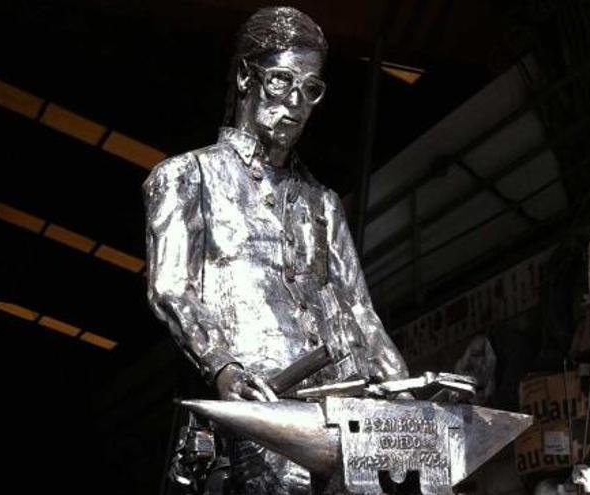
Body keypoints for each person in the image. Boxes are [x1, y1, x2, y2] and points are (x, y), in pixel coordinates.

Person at [143, 7, 408, 493]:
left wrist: (406, 390)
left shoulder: (324, 203)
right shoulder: (185, 178)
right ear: (246, 76)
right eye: (283, 81)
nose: (297, 103)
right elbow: (171, 289)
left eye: (311, 89)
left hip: (345, 417)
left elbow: (360, 311)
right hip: (261, 415)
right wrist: (223, 367)